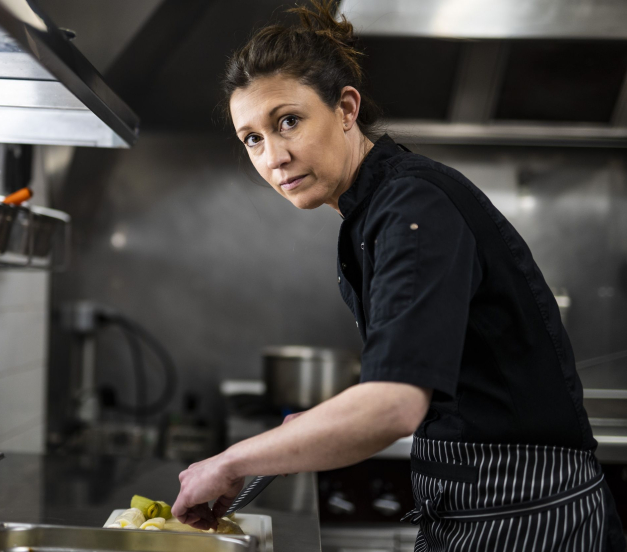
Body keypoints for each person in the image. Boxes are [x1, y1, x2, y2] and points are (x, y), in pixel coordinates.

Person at [171, 1, 627, 549]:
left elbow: (393, 404)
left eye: (288, 121)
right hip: (474, 511)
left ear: (345, 108)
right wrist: (299, 435)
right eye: (253, 139)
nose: (275, 157)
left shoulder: (413, 205)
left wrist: (232, 459)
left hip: (529, 520)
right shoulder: (374, 212)